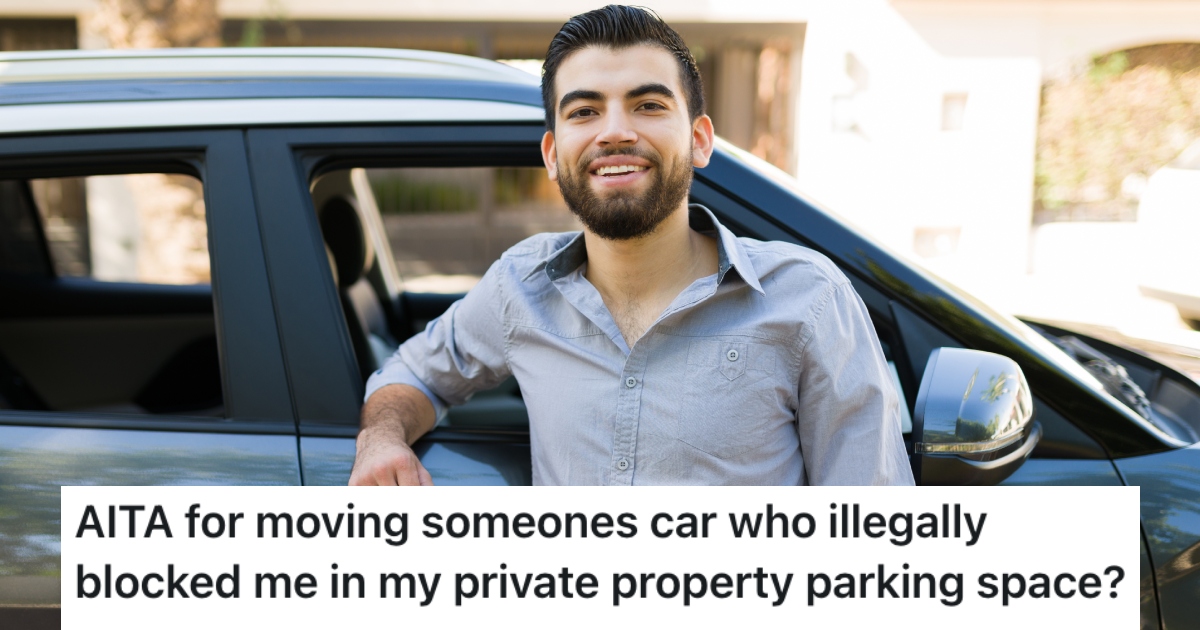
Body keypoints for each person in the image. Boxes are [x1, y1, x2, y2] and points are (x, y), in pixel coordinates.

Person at [349, 5, 914, 486]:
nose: (614, 131)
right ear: (552, 153)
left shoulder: (811, 300)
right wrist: (381, 438)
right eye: (584, 111)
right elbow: (411, 376)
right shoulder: (518, 287)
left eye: (648, 105)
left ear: (699, 140)